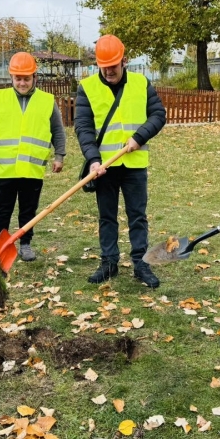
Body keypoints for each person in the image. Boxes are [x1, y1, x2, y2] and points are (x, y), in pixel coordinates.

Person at [74, 34, 166, 287]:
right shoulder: (87, 88)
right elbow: (83, 127)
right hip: (104, 166)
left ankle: (141, 264)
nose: (108, 72)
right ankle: (109, 262)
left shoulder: (141, 83)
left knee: (137, 216)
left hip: (134, 164)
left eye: (113, 66)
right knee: (107, 216)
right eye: (103, 67)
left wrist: (139, 137)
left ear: (124, 60)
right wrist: (93, 160)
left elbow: (158, 115)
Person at [0, 52, 66, 261]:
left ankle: (25, 244)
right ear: (12, 77)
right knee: (1, 210)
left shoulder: (47, 101)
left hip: (32, 170)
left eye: (26, 78)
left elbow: (58, 131)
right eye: (18, 78)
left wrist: (59, 156)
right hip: (4, 170)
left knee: (28, 210)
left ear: (35, 77)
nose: (22, 83)